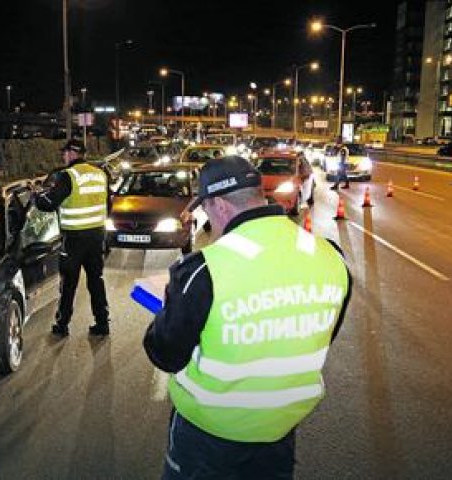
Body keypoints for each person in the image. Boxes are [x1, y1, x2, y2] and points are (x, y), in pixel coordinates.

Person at [144, 156, 352, 479]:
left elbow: (165, 353)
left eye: (206, 210)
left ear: (220, 206)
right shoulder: (330, 257)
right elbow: (321, 332)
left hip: (206, 438)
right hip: (278, 435)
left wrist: (168, 306)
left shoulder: (203, 269)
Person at [34, 139, 111, 337]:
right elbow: (108, 205)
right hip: (96, 236)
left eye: (65, 153)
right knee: (96, 280)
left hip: (74, 239)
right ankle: (102, 323)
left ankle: (62, 325)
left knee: (68, 283)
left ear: (71, 153)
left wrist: (36, 197)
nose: (63, 156)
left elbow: (50, 203)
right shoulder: (100, 174)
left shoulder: (68, 176)